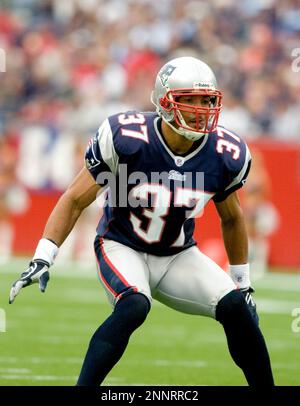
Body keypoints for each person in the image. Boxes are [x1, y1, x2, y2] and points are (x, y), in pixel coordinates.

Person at [9, 56, 274, 386]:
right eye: (189, 100)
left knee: (237, 309)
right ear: (165, 102)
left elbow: (232, 218)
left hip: (177, 254)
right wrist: (43, 256)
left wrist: (242, 282)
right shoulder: (128, 137)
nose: (200, 109)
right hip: (122, 245)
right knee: (134, 305)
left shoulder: (224, 152)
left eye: (206, 100)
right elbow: (76, 198)